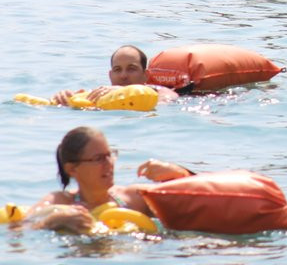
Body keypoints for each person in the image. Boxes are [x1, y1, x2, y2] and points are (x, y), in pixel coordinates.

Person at [25, 126, 192, 232]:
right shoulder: (60, 202)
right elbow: (19, 229)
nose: (109, 164)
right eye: (98, 158)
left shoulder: (133, 198)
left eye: (109, 155)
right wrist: (53, 221)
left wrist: (179, 173)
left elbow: (192, 202)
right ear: (72, 169)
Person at [52, 45, 178, 106]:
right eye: (117, 70)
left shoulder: (159, 91)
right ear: (110, 76)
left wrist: (124, 91)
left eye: (131, 69)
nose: (123, 76)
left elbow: (169, 99)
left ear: (145, 75)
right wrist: (64, 98)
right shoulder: (101, 94)